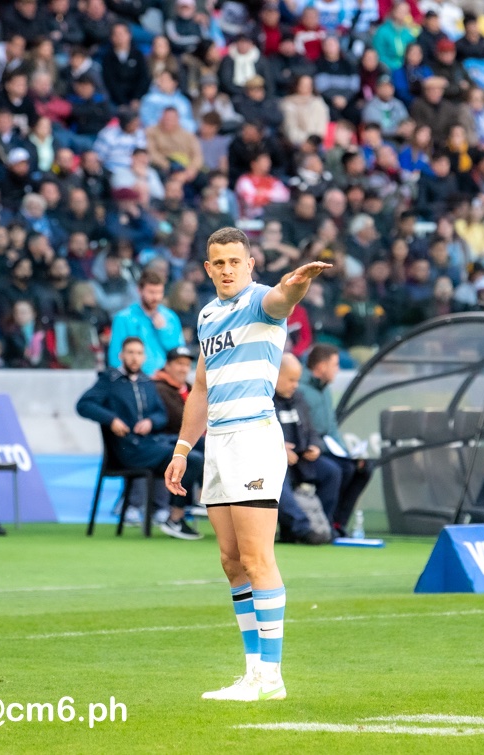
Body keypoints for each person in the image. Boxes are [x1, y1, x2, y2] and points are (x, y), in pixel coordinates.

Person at [165, 227, 329, 701]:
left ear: (250, 263)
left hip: (254, 439)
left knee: (258, 558)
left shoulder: (260, 301)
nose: (227, 269)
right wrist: (181, 450)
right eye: (219, 263)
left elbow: (283, 299)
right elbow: (200, 387)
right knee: (231, 561)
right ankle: (253, 672)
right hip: (216, 443)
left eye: (235, 261)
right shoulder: (208, 314)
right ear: (208, 268)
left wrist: (298, 283)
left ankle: (271, 677)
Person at [77, 336, 204, 540]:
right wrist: (111, 419)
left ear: (144, 357)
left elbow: (161, 415)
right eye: (130, 353)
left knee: (198, 447)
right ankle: (175, 517)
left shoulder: (146, 382)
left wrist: (151, 422)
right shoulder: (109, 381)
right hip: (128, 451)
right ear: (121, 355)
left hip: (150, 445)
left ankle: (189, 506)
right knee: (194, 458)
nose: (134, 358)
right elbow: (83, 405)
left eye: (138, 353)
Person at [298, 343, 373, 536]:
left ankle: (338, 523)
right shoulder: (300, 389)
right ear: (321, 366)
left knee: (361, 468)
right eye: (335, 364)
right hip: (306, 452)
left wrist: (347, 454)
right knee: (336, 471)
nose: (337, 370)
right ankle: (322, 524)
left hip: (325, 449)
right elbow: (304, 431)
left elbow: (331, 428)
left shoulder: (325, 391)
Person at [273, 353, 339, 545]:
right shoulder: (263, 400)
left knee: (331, 472)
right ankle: (302, 528)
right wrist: (279, 449)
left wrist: (314, 447)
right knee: (277, 479)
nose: (295, 385)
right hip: (274, 461)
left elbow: (311, 430)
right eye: (291, 380)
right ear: (276, 375)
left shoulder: (299, 398)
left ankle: (324, 525)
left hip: (301, 460)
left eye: (297, 380)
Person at [107, 270, 184, 375]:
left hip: (164, 381)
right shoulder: (123, 318)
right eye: (151, 292)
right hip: (134, 379)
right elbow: (115, 355)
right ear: (139, 290)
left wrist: (163, 331)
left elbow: (179, 353)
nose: (156, 297)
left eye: (159, 292)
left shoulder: (170, 318)